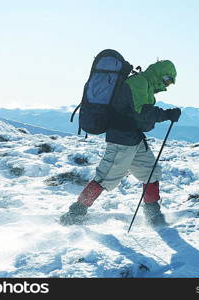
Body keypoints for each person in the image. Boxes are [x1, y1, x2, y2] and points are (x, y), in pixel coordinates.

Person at [60, 60, 181, 226]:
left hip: (135, 138)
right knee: (105, 178)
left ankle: (153, 216)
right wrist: (166, 114)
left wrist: (165, 115)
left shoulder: (146, 86)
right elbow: (141, 112)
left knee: (151, 172)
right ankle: (75, 214)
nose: (167, 85)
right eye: (167, 81)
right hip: (121, 140)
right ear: (161, 75)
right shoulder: (139, 82)